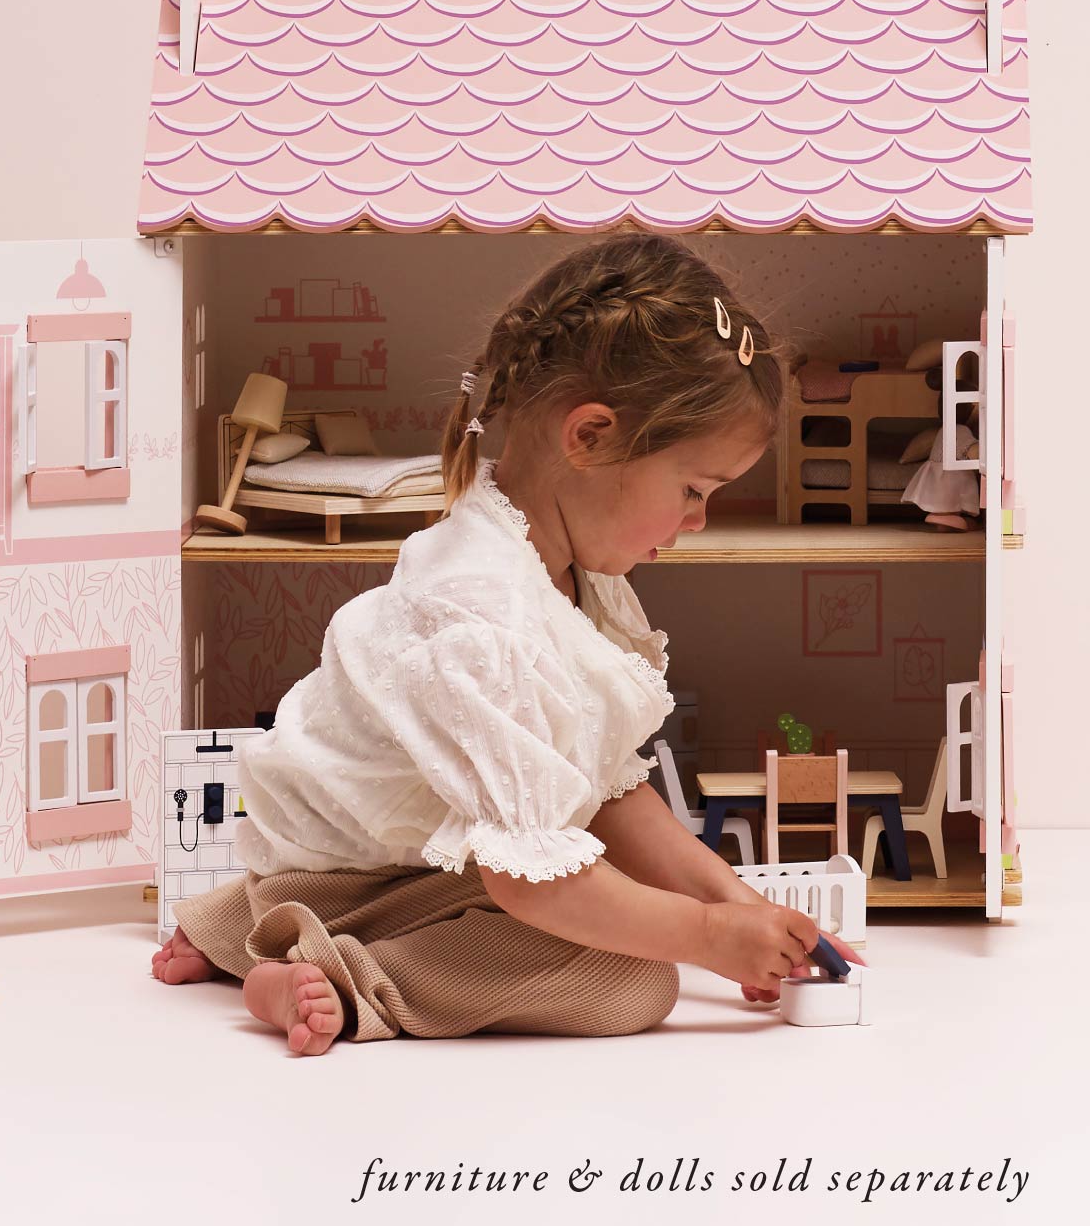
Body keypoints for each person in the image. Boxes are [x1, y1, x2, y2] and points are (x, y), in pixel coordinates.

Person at [153, 231, 859, 1054]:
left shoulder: (571, 574)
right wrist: (703, 937)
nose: (699, 520)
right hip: (362, 877)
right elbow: (529, 883)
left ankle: (239, 923)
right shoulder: (482, 609)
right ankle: (340, 972)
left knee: (614, 901)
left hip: (392, 855)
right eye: (694, 489)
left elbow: (604, 790)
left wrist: (739, 908)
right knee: (630, 978)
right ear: (589, 437)